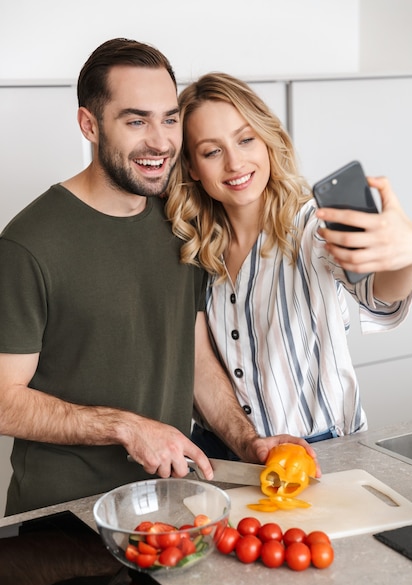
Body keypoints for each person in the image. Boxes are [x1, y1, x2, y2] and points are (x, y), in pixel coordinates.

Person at [0, 41, 317, 516]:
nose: (161, 140)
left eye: (169, 119)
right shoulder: (29, 244)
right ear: (89, 124)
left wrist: (247, 441)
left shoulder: (180, 224)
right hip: (63, 516)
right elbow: (4, 400)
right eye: (135, 121)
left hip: (170, 508)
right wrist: (124, 426)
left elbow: (194, 358)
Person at [166, 72, 412, 458]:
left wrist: (409, 253)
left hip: (321, 449)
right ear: (193, 167)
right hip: (221, 450)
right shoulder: (193, 247)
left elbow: (381, 295)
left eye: (245, 139)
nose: (235, 162)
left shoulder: (314, 226)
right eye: (211, 151)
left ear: (268, 141)